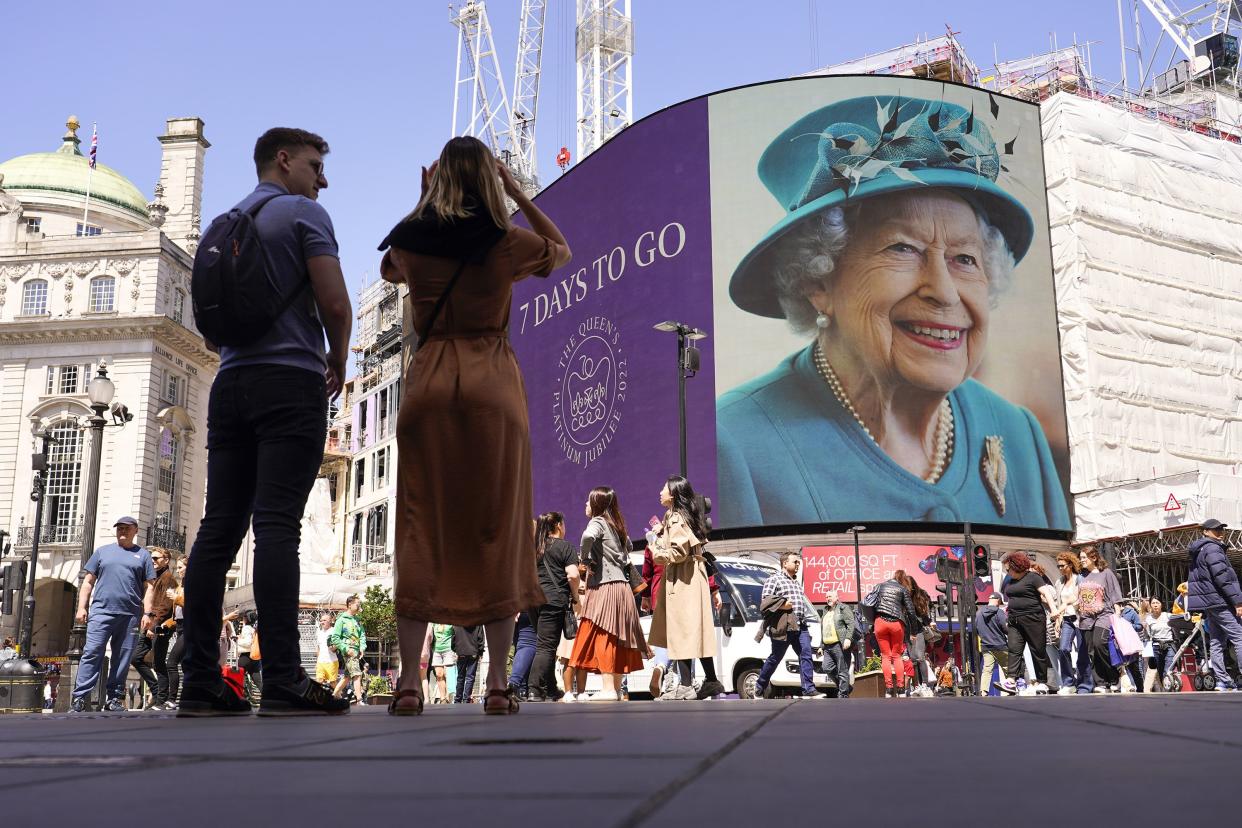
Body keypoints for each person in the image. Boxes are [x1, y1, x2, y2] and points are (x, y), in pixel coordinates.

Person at [717, 94, 1070, 531]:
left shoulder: (1019, 436)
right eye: (903, 248)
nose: (944, 292)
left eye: (965, 259)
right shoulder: (735, 444)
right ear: (817, 281)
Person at [380, 136, 571, 718]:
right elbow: (561, 250)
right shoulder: (505, 241)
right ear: (491, 180)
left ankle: (409, 686)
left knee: (419, 524)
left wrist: (422, 204)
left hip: (430, 381)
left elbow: (390, 268)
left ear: (438, 179)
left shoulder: (412, 241)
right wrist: (516, 193)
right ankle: (495, 685)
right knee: (497, 525)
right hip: (491, 384)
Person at [180, 127, 352, 718]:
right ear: (284, 160)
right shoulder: (303, 214)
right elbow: (334, 301)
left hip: (230, 386)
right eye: (314, 165)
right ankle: (282, 681)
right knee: (279, 525)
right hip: (290, 383)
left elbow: (210, 326)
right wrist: (338, 357)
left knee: (218, 528)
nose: (321, 179)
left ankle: (198, 682)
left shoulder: (222, 226)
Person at [567, 487, 648, 702]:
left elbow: (587, 537)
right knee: (620, 637)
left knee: (605, 634)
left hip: (605, 586)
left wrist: (584, 559)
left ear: (597, 504)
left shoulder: (598, 522)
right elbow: (628, 546)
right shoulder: (616, 524)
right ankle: (616, 688)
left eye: (588, 501)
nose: (585, 505)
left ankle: (607, 689)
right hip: (623, 588)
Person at [647, 475, 723, 701]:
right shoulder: (677, 516)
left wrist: (655, 549)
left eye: (664, 488)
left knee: (680, 629)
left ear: (674, 494)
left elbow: (678, 553)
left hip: (683, 577)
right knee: (691, 630)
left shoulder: (676, 518)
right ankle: (710, 681)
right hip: (690, 576)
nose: (660, 492)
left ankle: (687, 686)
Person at [70, 517, 156, 712]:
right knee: (92, 653)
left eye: (126, 528)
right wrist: (82, 607)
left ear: (136, 530)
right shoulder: (102, 552)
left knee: (123, 657)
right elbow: (88, 581)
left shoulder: (143, 556)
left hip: (130, 615)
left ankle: (114, 699)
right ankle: (80, 698)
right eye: (119, 528)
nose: (122, 531)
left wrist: (148, 613)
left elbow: (149, 587)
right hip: (101, 613)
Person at [754, 551, 820, 699]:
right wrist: (784, 605)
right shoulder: (774, 579)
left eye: (798, 562)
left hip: (800, 626)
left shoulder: (795, 582)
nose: (798, 564)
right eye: (795, 562)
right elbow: (765, 603)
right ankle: (759, 686)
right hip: (783, 626)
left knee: (806, 654)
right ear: (785, 563)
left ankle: (808, 689)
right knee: (775, 658)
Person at [529, 512, 579, 702]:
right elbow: (573, 575)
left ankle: (550, 688)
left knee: (546, 644)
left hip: (533, 601)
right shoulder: (565, 547)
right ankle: (534, 689)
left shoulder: (535, 548)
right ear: (558, 525)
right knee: (547, 647)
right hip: (554, 600)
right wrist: (575, 597)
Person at [1187, 519, 1242, 691]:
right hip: (1220, 600)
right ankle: (1225, 678)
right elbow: (1222, 577)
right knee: (1239, 637)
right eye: (1215, 529)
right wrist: (1237, 601)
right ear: (1205, 531)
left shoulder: (1200, 549)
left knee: (1217, 641)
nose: (1220, 532)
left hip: (1210, 602)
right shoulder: (1212, 548)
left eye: (1221, 529)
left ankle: (1222, 681)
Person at [997, 552, 1054, 695]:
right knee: (1014, 649)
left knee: (1037, 650)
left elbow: (1046, 593)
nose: (1007, 572)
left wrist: (1054, 610)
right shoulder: (1011, 581)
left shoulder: (1033, 577)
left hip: (1033, 618)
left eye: (1008, 569)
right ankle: (1011, 680)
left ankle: (1042, 682)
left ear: (1017, 567)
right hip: (1014, 619)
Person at [130, 546, 176, 710]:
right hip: (148, 625)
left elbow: (165, 606)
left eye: (156, 558)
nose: (153, 561)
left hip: (159, 627)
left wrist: (153, 625)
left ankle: (161, 699)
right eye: (152, 558)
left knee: (158, 663)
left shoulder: (169, 579)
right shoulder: (153, 578)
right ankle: (157, 691)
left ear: (166, 560)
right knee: (136, 658)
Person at [1076, 545, 1125, 694]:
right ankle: (1100, 683)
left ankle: (1114, 677)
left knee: (1100, 644)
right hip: (1086, 618)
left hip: (1104, 615)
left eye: (1084, 557)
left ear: (1094, 557)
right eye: (1081, 558)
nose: (1081, 560)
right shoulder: (1081, 576)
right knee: (1091, 651)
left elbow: (1115, 592)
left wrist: (1117, 613)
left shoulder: (1106, 573)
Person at [871, 571, 916, 698]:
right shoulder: (902, 589)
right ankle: (901, 689)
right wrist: (913, 630)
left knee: (885, 656)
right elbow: (911, 611)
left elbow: (871, 603)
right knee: (897, 656)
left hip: (880, 622)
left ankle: (889, 690)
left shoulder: (879, 586)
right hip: (896, 623)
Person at [1051, 552, 1083, 695]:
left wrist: (1069, 604)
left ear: (1070, 564)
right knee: (1063, 649)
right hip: (1067, 620)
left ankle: (1085, 682)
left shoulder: (1079, 579)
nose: (1060, 568)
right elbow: (1059, 602)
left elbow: (1081, 599)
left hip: (1080, 619)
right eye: (1058, 566)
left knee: (1083, 651)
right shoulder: (1059, 582)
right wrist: (1059, 620)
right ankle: (1069, 682)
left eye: (1062, 565)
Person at [329, 595, 367, 703]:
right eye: (357, 604)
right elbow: (335, 638)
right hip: (348, 651)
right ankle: (359, 699)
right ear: (350, 605)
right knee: (357, 673)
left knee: (347, 676)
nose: (359, 606)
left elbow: (362, 635)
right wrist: (346, 649)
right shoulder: (341, 620)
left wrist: (362, 647)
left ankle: (334, 695)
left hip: (356, 650)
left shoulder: (358, 620)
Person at [820, 591, 857, 698]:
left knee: (842, 670)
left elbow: (851, 623)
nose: (828, 598)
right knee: (826, 667)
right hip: (827, 646)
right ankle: (846, 687)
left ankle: (843, 694)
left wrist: (848, 639)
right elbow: (824, 629)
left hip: (839, 645)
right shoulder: (825, 610)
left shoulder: (843, 608)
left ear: (836, 597)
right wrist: (821, 646)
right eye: (826, 597)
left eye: (830, 596)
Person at [163, 556, 188, 707]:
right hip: (179, 627)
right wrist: (165, 624)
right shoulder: (180, 586)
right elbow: (177, 614)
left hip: (190, 628)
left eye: (180, 567)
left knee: (172, 662)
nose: (178, 571)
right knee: (186, 665)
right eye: (177, 568)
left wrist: (176, 598)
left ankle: (172, 700)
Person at [974, 593, 1009, 696]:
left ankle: (983, 691)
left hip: (986, 646)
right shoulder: (999, 612)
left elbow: (976, 629)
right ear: (998, 600)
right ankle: (1010, 689)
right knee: (1008, 668)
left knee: (987, 670)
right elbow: (1006, 628)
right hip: (1000, 645)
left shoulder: (979, 613)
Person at [1144, 598, 1176, 693]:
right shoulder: (1148, 619)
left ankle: (1169, 691)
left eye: (1157, 602)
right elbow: (1147, 635)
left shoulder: (1168, 616)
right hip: (1156, 647)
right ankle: (1166, 691)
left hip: (1169, 645)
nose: (1155, 605)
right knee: (1160, 671)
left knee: (1168, 670)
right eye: (1153, 603)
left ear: (1161, 604)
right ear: (1150, 605)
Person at [453, 625, 485, 703]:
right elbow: (480, 637)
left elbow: (453, 637)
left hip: (461, 651)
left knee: (460, 677)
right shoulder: (478, 622)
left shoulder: (457, 622)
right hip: (473, 652)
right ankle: (466, 699)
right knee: (470, 677)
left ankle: (458, 699)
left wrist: (456, 650)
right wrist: (480, 652)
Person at [427, 624, 456, 703]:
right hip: (436, 651)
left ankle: (447, 696)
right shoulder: (433, 623)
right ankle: (442, 697)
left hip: (449, 650)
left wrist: (456, 650)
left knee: (447, 674)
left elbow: (456, 635)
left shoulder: (450, 623)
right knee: (439, 674)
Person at [314, 613, 338, 687]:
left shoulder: (334, 631)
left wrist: (334, 647)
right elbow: (318, 648)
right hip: (320, 662)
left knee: (332, 683)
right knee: (319, 682)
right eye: (321, 620)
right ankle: (319, 698)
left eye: (324, 620)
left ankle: (337, 698)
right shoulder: (319, 633)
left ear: (330, 621)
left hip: (332, 662)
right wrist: (317, 661)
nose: (322, 622)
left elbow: (337, 646)